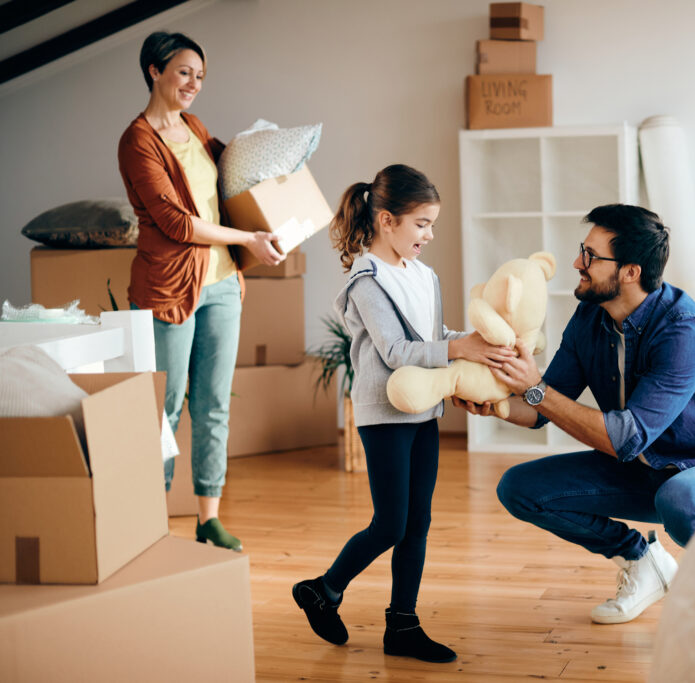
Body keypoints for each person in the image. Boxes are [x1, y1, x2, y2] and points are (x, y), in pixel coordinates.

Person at [455, 204, 695, 624]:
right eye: (582, 251)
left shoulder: (684, 327)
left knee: (682, 498)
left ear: (631, 272)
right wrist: (495, 405)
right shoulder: (589, 317)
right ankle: (643, 561)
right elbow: (543, 408)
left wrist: (533, 388)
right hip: (645, 471)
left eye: (591, 257)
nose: (576, 264)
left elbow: (623, 436)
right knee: (520, 487)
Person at [291, 164, 515, 663]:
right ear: (387, 220)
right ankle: (322, 590)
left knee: (418, 523)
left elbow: (430, 335)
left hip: (423, 410)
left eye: (432, 223)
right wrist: (459, 351)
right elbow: (395, 350)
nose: (429, 234)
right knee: (390, 524)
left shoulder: (424, 275)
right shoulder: (366, 280)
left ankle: (402, 626)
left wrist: (478, 344)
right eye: (421, 224)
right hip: (384, 412)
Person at [117, 32, 284, 552]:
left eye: (201, 76)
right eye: (185, 72)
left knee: (212, 406)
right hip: (169, 289)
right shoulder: (138, 141)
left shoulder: (195, 127)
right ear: (154, 70)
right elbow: (174, 221)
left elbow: (228, 178)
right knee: (164, 409)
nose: (194, 84)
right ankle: (151, 521)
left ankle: (208, 517)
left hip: (221, 286)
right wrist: (249, 239)